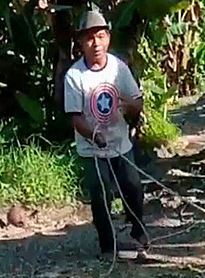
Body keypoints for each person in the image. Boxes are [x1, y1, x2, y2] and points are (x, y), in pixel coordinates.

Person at [64, 10, 148, 258]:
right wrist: (94, 135)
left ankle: (139, 232)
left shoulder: (118, 69)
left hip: (120, 143)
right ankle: (107, 246)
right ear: (81, 43)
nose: (96, 43)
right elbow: (76, 117)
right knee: (101, 194)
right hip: (92, 148)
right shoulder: (74, 76)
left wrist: (129, 105)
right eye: (89, 38)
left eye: (100, 36)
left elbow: (138, 102)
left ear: (108, 38)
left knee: (132, 186)